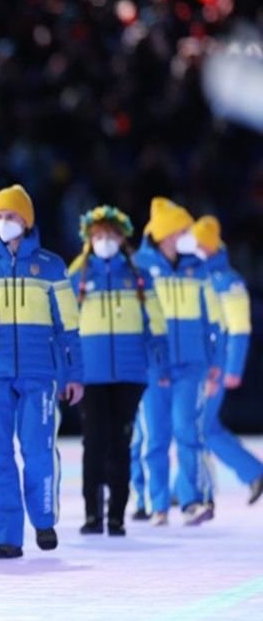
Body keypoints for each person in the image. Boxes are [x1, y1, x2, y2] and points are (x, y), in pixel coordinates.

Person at [0, 184, 84, 559]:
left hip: (39, 375)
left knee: (38, 450)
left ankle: (43, 517)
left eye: (11, 216)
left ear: (27, 221)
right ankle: (7, 535)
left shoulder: (51, 266)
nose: (4, 222)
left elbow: (69, 327)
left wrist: (73, 374)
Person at [69, 206, 168, 536]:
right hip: (90, 376)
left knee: (120, 444)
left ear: (122, 238)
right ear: (88, 239)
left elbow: (157, 325)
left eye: (110, 235)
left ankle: (116, 517)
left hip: (130, 374)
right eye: (98, 236)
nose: (105, 241)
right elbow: (65, 327)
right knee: (94, 444)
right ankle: (92, 515)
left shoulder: (139, 276)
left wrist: (160, 365)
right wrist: (67, 371)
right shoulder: (78, 276)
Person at [133, 198, 222, 526]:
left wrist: (215, 359)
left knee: (188, 430)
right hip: (153, 367)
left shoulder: (197, 267)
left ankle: (192, 501)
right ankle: (156, 504)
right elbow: (136, 320)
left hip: (191, 365)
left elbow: (215, 317)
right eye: (183, 230)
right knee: (155, 436)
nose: (189, 236)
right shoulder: (139, 266)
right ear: (166, 234)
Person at [191, 216, 263, 504]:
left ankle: (251, 472)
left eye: (198, 245)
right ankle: (186, 487)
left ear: (209, 247)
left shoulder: (228, 282)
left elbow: (239, 329)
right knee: (197, 425)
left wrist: (233, 368)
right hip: (197, 364)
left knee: (200, 426)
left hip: (216, 367)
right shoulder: (196, 276)